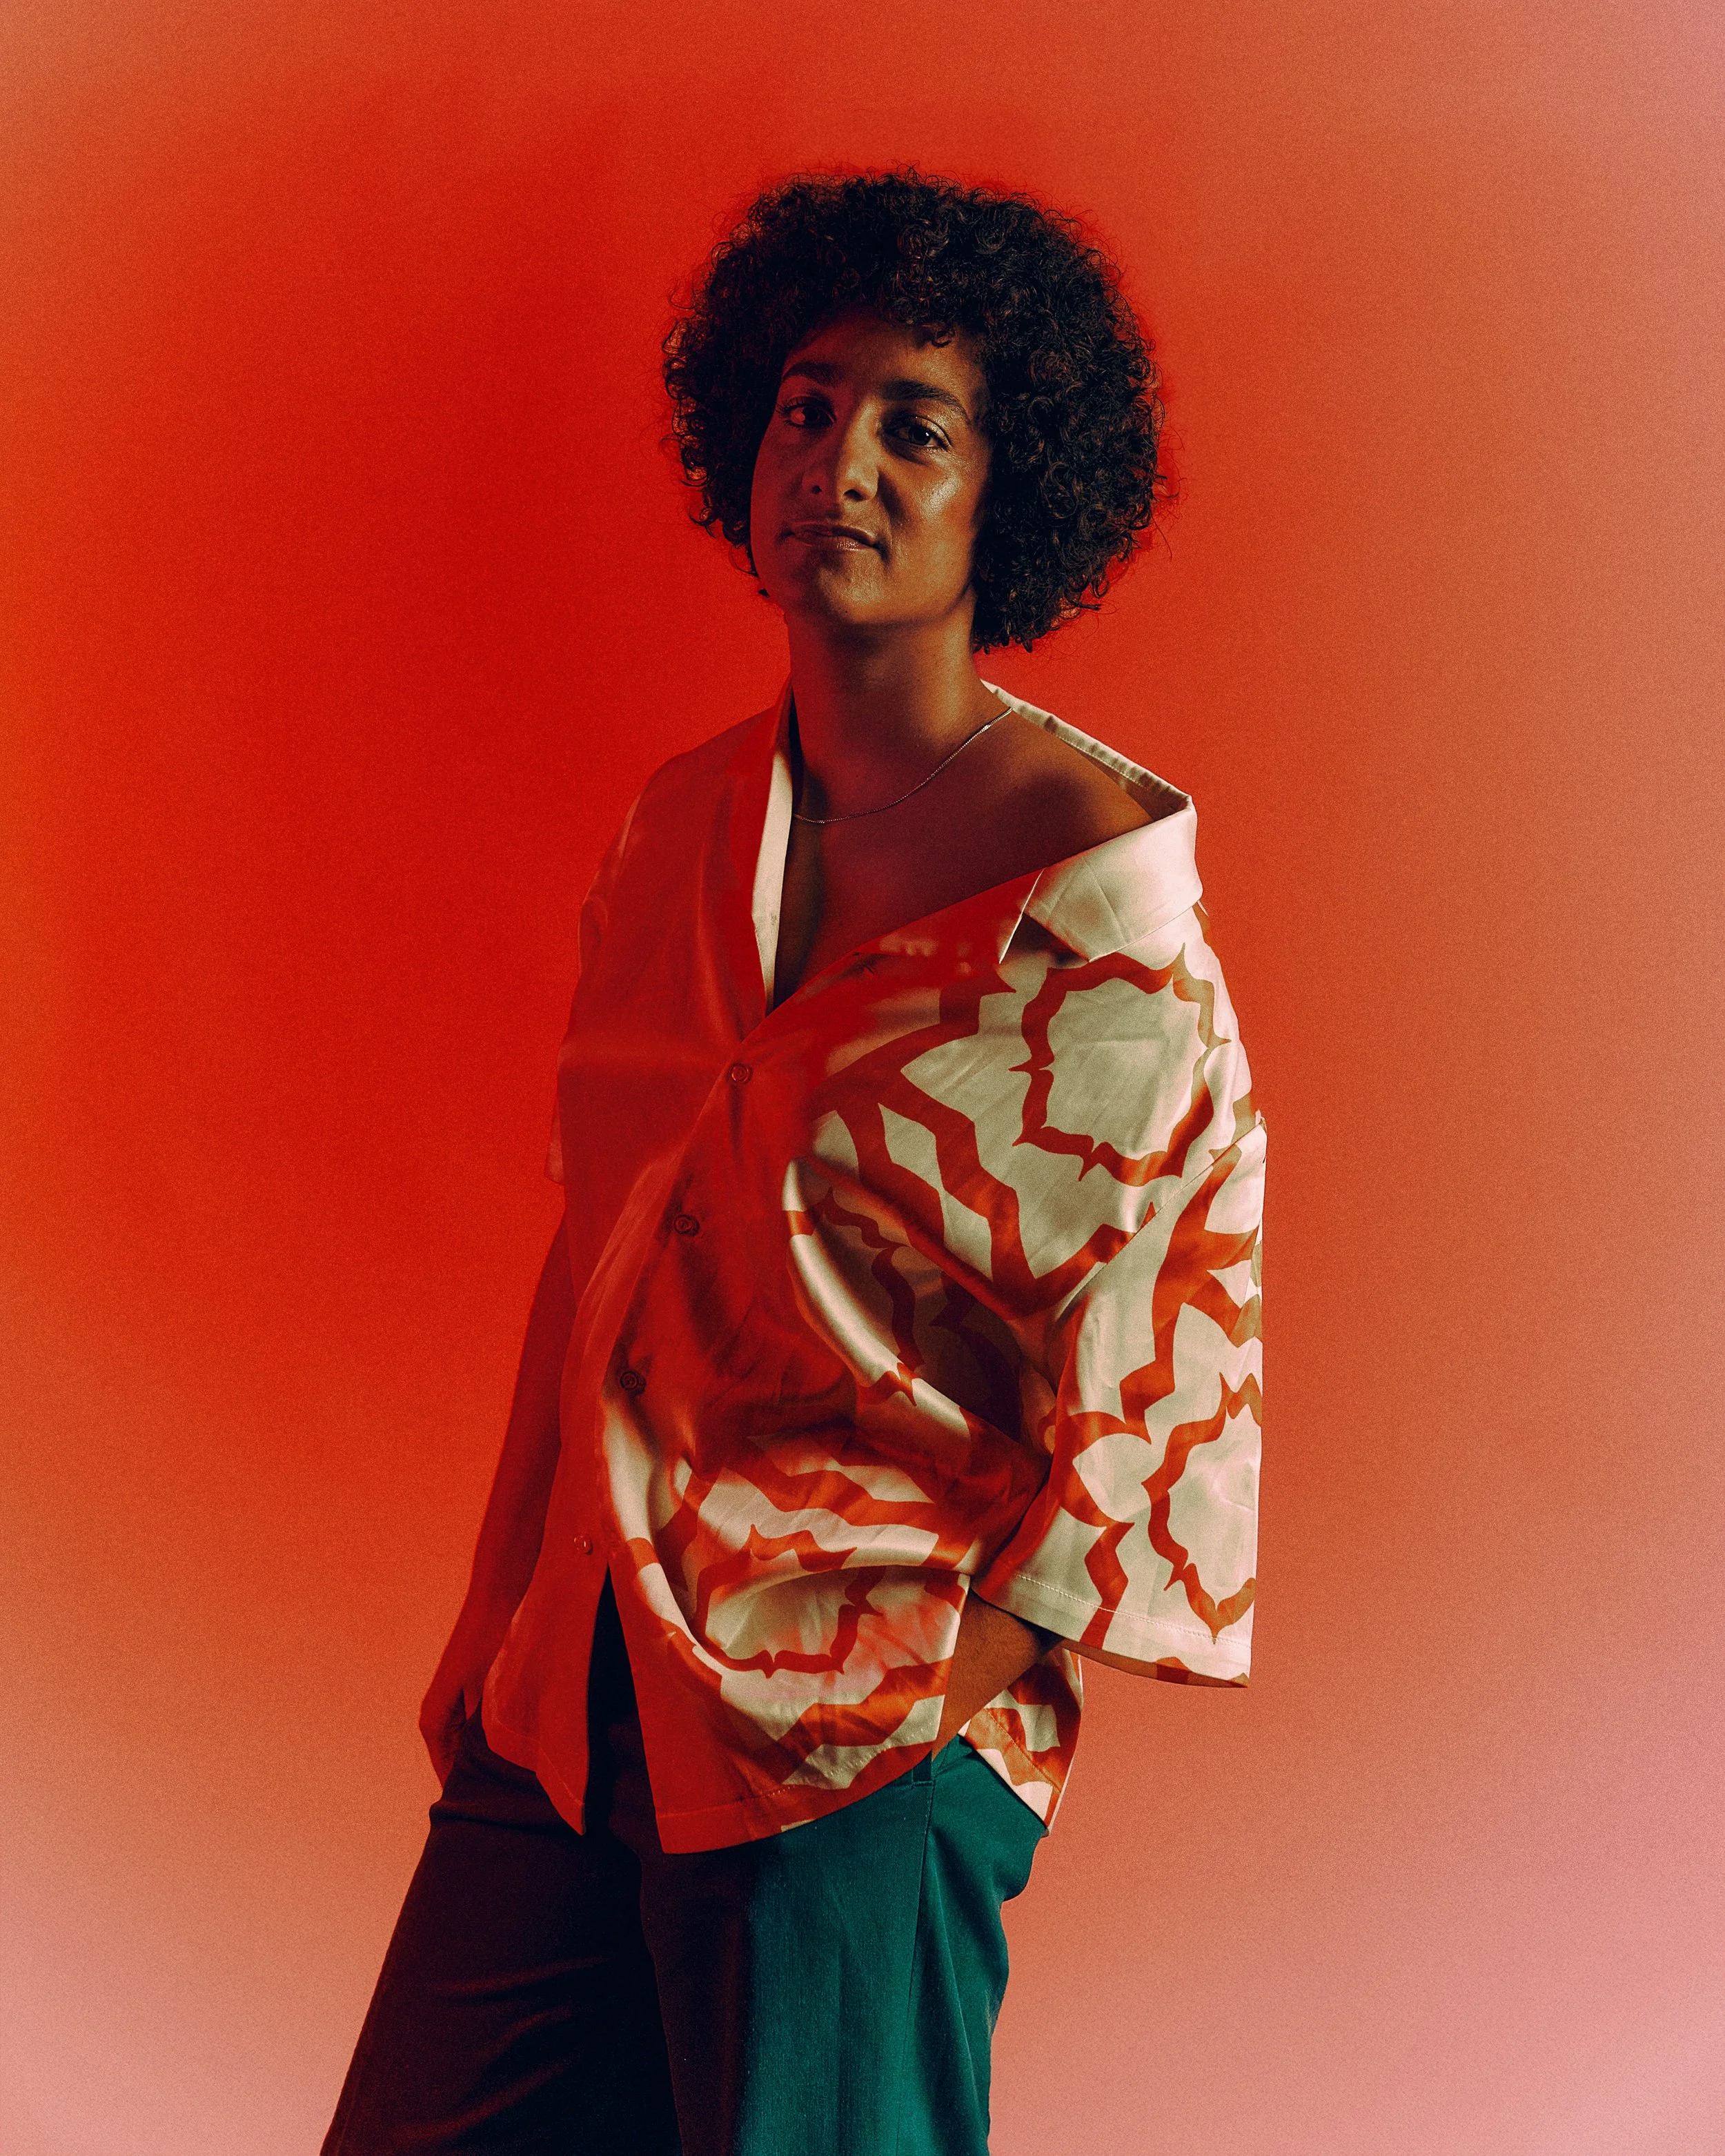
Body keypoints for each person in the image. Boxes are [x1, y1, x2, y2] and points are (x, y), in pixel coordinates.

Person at [323, 167, 1264, 2156]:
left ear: (1010, 489)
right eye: (807, 407)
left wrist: (916, 1702)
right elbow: (599, 1247)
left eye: (916, 427)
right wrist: (497, 1606)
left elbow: (1163, 1383)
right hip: (580, 1686)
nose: (840, 464)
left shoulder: (1095, 914)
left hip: (854, 1727)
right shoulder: (680, 827)